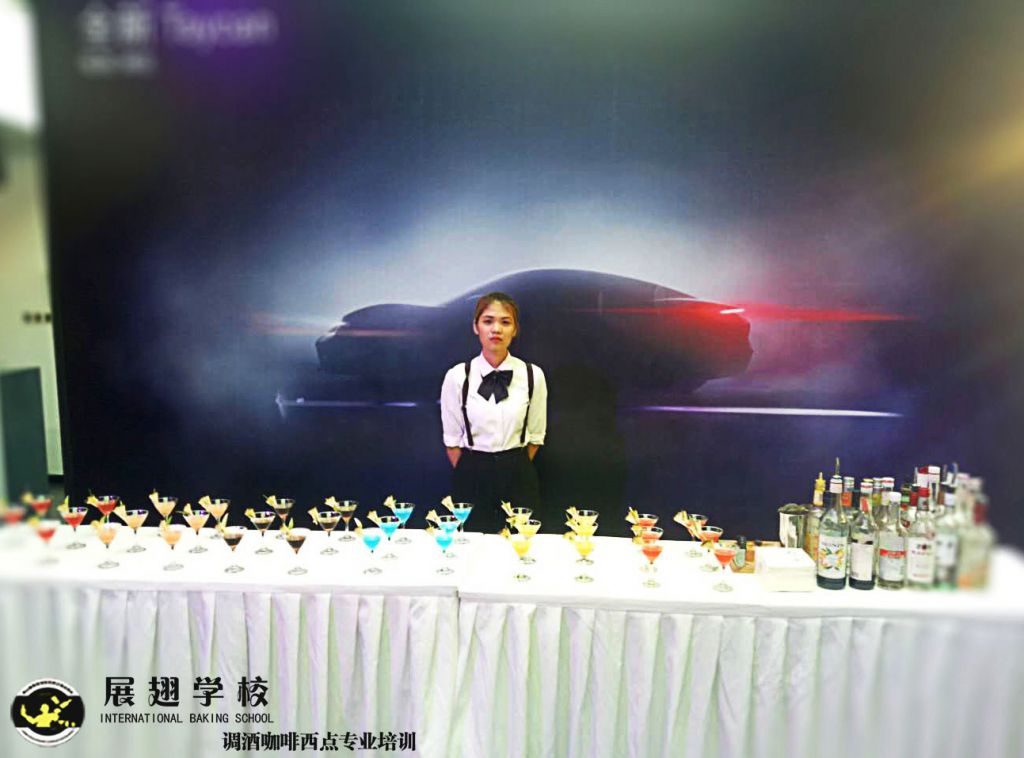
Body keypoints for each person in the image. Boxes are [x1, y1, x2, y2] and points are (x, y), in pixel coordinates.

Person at [440, 292, 547, 534]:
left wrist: (511, 466)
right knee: (471, 546)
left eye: (505, 322)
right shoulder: (457, 377)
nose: (496, 329)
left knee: (521, 545)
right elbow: (452, 442)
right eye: (488, 321)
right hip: (472, 476)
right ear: (476, 327)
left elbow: (536, 436)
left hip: (518, 475)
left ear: (515, 329)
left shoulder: (533, 375)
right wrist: (477, 469)